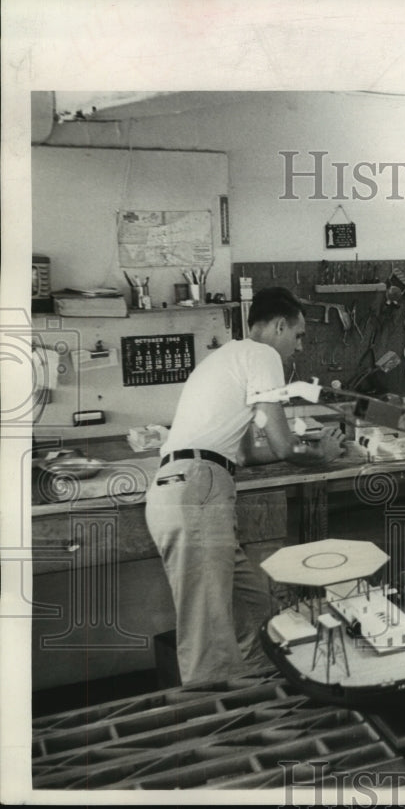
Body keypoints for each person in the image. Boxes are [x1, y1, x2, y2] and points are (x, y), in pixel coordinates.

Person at [145, 286, 345, 685]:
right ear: (279, 326)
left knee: (256, 611)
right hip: (198, 490)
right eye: (299, 336)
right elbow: (284, 444)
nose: (299, 347)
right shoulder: (263, 354)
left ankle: (264, 699)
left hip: (188, 487)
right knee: (208, 635)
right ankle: (219, 729)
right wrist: (321, 454)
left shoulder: (227, 358)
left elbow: (250, 454)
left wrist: (304, 447)